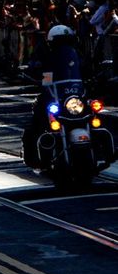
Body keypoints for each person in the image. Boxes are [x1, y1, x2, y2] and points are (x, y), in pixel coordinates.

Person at [22, 24, 84, 167]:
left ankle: (103, 148)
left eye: (67, 41)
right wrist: (33, 71)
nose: (64, 45)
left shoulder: (77, 53)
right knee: (38, 117)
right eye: (60, 42)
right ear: (52, 42)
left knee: (93, 113)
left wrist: (95, 75)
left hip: (74, 95)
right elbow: (34, 66)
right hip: (53, 94)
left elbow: (85, 66)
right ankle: (34, 156)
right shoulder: (44, 52)